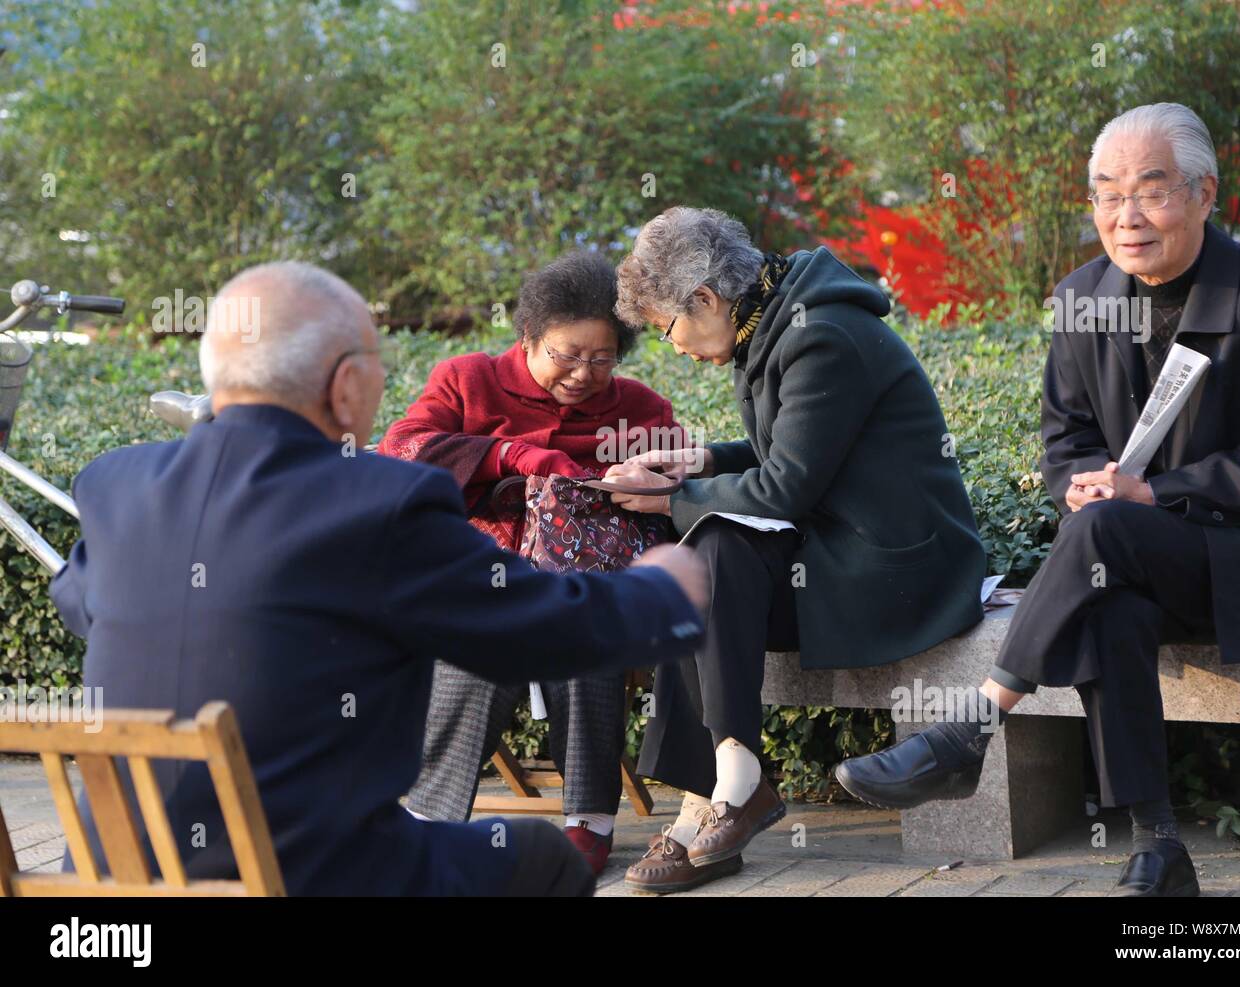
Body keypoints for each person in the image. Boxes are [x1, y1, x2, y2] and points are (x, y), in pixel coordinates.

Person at [50, 260, 708, 896]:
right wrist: (665, 590)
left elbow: (82, 604)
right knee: (543, 860)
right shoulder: (377, 500)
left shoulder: (117, 486)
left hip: (113, 877)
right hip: (314, 875)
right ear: (345, 384)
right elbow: (537, 624)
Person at [836, 103, 1240, 897]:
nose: (1127, 216)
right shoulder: (1081, 299)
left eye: (1150, 191)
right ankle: (1158, 846)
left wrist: (1152, 491)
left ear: (1204, 193)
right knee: (1106, 594)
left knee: (1108, 534)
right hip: (1128, 558)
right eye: (1106, 194)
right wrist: (1084, 485)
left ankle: (969, 732)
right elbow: (1066, 442)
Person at [606, 206, 986, 893]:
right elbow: (787, 450)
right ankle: (718, 789)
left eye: (668, 326)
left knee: (710, 539)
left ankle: (729, 789)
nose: (674, 345)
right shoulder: (769, 319)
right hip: (834, 550)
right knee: (691, 566)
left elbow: (782, 487)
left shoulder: (823, 334)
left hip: (895, 566)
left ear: (705, 299)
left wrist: (669, 501)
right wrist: (691, 464)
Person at [380, 251, 687, 874]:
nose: (582, 374)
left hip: (587, 577)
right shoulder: (468, 379)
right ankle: (429, 820)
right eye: (566, 355)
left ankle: (588, 820)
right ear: (529, 337)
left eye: (601, 360)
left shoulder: (639, 408)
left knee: (582, 622)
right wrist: (510, 456)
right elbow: (404, 451)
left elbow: (676, 487)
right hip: (479, 572)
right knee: (483, 637)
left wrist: (645, 482)